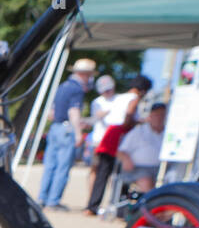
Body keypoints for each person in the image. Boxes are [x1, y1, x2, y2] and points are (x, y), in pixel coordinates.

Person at [85, 74, 152, 215]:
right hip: (119, 136)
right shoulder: (134, 99)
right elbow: (128, 116)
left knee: (102, 173)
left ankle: (92, 206)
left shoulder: (119, 97)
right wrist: (139, 122)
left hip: (109, 135)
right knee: (122, 174)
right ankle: (120, 207)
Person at [39, 58, 96, 210]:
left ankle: (42, 198)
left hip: (55, 127)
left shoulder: (62, 86)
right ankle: (53, 201)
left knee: (50, 165)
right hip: (67, 129)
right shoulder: (76, 89)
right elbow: (74, 111)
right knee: (62, 167)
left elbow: (51, 112)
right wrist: (78, 133)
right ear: (86, 74)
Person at [117, 101, 167, 194]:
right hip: (138, 169)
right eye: (157, 114)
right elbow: (121, 151)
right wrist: (126, 159)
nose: (159, 118)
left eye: (162, 115)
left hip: (163, 169)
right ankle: (150, 205)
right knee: (146, 181)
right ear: (151, 116)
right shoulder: (139, 131)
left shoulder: (168, 133)